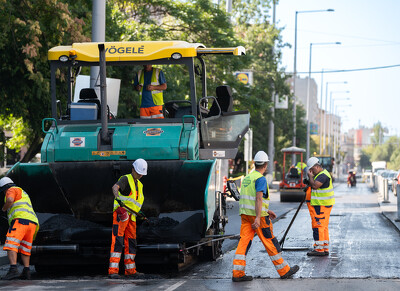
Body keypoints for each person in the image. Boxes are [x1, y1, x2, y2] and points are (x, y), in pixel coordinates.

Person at [232, 151, 299, 282]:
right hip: (258, 218)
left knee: (243, 242)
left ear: (255, 163)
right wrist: (258, 217)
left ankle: (237, 273)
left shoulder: (247, 178)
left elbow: (248, 199)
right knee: (270, 242)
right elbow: (257, 198)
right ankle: (284, 270)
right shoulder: (260, 179)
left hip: (245, 216)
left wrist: (267, 210)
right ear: (266, 165)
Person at [108, 159, 147, 279]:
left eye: (142, 173)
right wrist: (117, 198)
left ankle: (130, 270)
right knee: (118, 240)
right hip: (122, 214)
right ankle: (113, 270)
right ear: (133, 169)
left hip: (132, 217)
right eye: (138, 172)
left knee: (131, 242)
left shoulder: (139, 185)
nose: (140, 175)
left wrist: (139, 212)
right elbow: (115, 187)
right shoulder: (126, 179)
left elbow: (134, 202)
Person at [0, 177, 39, 280]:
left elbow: (10, 200)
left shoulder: (11, 189)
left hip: (20, 221)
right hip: (32, 223)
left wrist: (3, 209)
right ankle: (26, 271)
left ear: (5, 188)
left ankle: (13, 270)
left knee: (10, 244)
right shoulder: (23, 192)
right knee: (25, 248)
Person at [306, 157, 335, 256]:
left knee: (318, 226)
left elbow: (315, 186)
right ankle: (324, 247)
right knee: (323, 227)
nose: (311, 172)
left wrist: (310, 177)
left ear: (317, 167)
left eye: (312, 170)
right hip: (323, 205)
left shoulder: (323, 176)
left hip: (321, 206)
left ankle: (319, 249)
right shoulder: (321, 174)